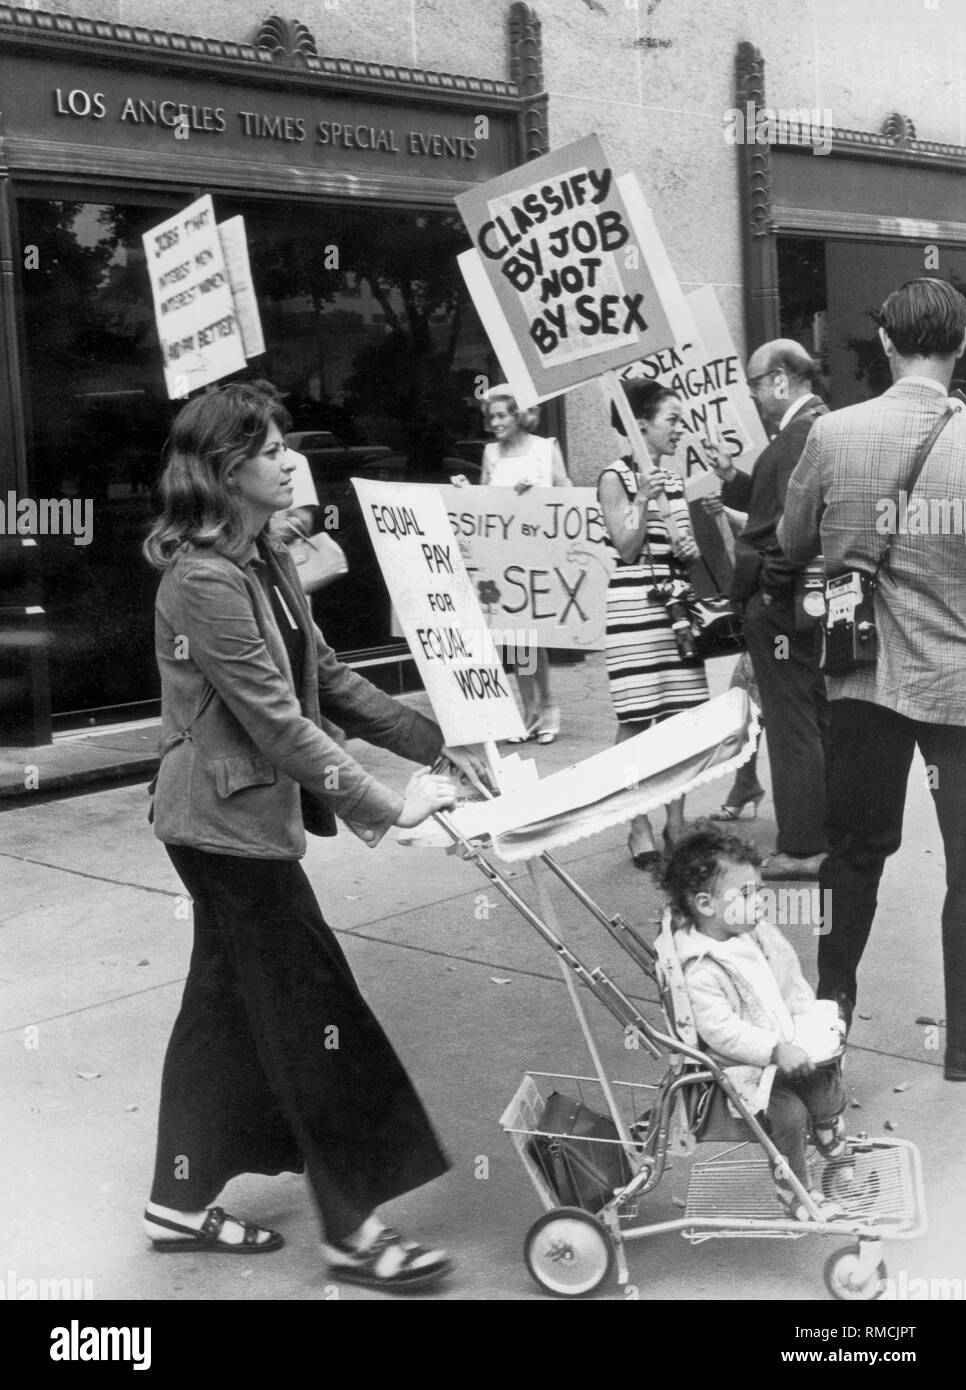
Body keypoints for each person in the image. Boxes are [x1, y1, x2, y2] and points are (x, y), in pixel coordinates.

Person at [141, 383, 486, 1290]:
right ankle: (352, 1232)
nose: (288, 458)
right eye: (267, 449)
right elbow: (275, 724)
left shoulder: (264, 558)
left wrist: (439, 739)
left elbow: (326, 680)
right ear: (226, 474)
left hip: (232, 822)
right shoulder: (206, 581)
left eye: (285, 442)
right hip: (221, 829)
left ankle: (178, 1200)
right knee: (316, 1022)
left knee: (221, 1011)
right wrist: (387, 803)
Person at [779, 277, 966, 1083]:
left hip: (863, 679)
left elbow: (791, 542)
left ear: (886, 344)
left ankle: (831, 1016)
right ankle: (962, 1050)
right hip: (960, 687)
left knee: (850, 856)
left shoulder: (835, 433)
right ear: (959, 347)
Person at [662, 825, 851, 1221]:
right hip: (742, 1068)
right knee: (789, 1115)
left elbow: (786, 976)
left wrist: (811, 1019)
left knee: (825, 1084)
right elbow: (721, 1032)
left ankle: (828, 1126)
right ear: (706, 904)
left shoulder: (746, 934)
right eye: (747, 894)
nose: (761, 901)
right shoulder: (702, 969)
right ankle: (793, 1188)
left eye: (759, 889)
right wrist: (774, 1050)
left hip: (781, 1047)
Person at [702, 341, 828, 879]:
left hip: (783, 606)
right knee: (811, 721)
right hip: (806, 606)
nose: (752, 395)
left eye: (754, 384)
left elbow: (784, 532)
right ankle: (819, 836)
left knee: (791, 725)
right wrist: (735, 477)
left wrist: (766, 591)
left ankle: (802, 846)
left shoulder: (797, 436)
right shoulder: (816, 428)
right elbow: (778, 503)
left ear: (780, 380)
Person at [598, 381, 707, 870]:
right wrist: (641, 497)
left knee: (683, 719)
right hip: (635, 610)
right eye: (672, 420)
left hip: (676, 610)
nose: (680, 429)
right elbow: (624, 545)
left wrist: (689, 550)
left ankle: (677, 822)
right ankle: (637, 821)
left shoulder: (676, 479)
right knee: (637, 720)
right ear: (641, 425)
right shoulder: (615, 477)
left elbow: (683, 546)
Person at [452, 384, 569, 744]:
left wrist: (536, 495)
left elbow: (567, 492)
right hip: (503, 554)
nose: (496, 422)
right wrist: (464, 490)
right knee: (515, 635)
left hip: (537, 550)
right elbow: (485, 502)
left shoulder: (545, 448)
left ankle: (549, 707)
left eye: (503, 415)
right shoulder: (491, 453)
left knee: (535, 634)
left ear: (520, 416)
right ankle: (529, 710)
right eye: (491, 417)